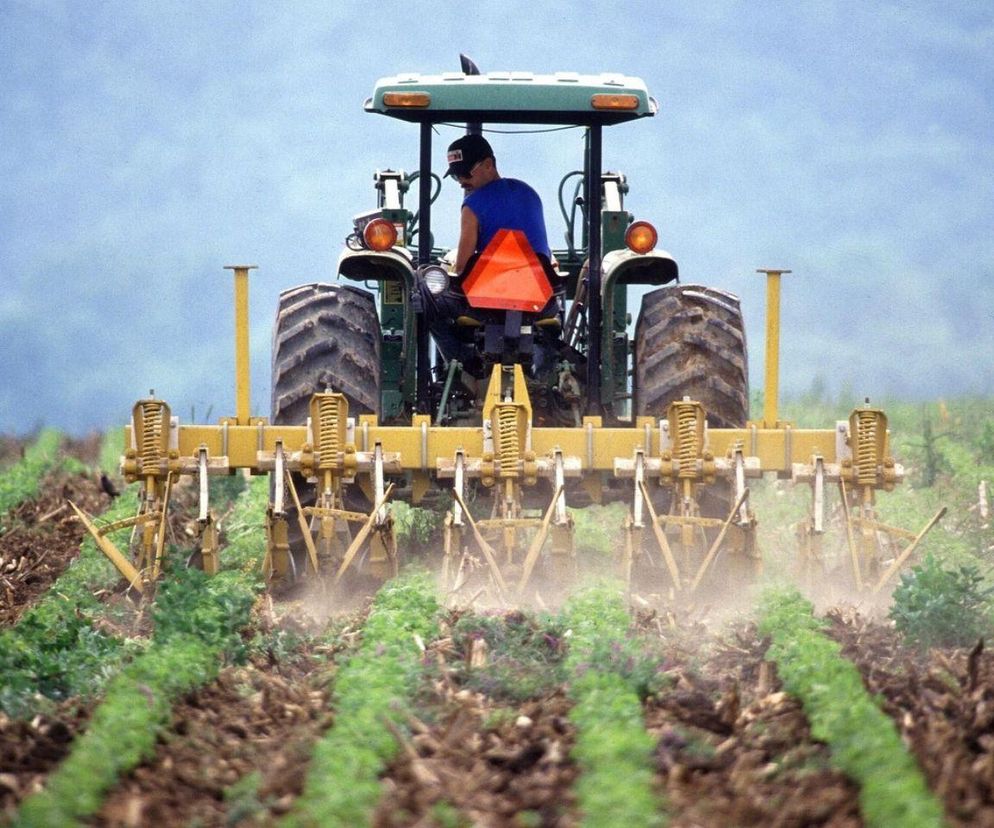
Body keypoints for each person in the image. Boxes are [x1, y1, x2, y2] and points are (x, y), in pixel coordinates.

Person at [418, 134, 558, 375]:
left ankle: (463, 364)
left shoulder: (472, 205)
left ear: (488, 164)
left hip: (486, 306)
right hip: (539, 302)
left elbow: (460, 268)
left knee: (425, 298)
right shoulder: (530, 194)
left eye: (465, 174)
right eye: (455, 176)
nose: (462, 181)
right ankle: (546, 373)